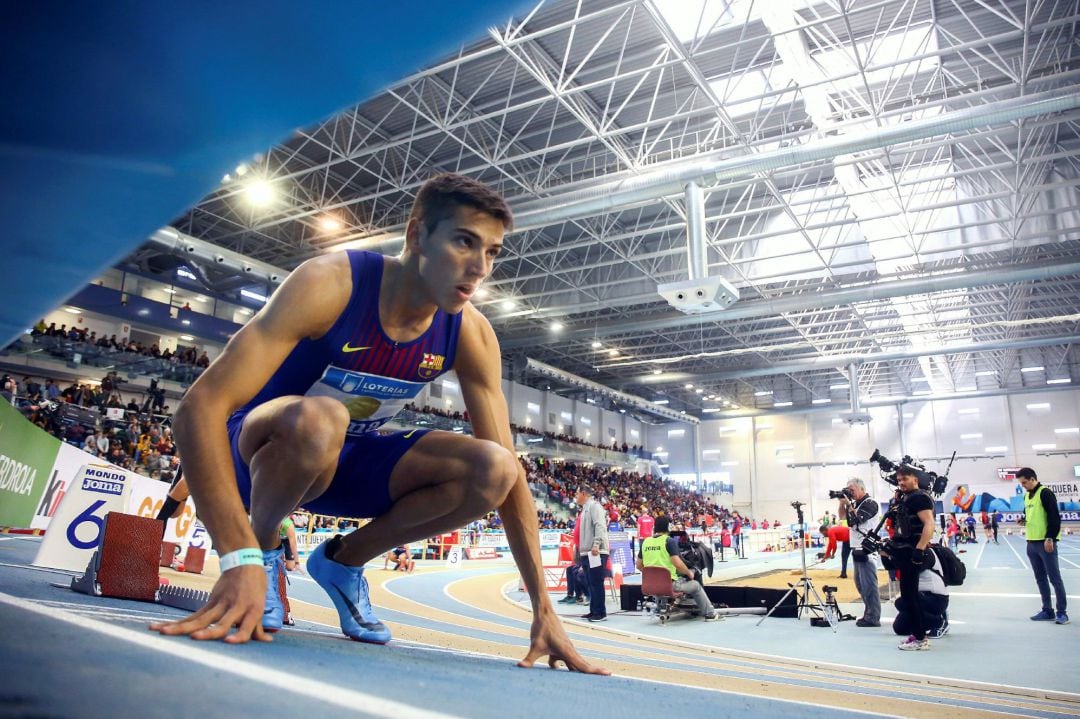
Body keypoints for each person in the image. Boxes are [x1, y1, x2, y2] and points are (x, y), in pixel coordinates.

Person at [149, 173, 607, 675]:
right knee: (324, 418)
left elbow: (511, 480)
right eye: (463, 241)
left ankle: (344, 560)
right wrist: (238, 555)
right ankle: (262, 554)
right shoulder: (330, 284)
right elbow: (198, 408)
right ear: (416, 235)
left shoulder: (470, 330)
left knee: (495, 468)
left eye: (493, 252)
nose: (479, 267)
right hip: (261, 455)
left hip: (344, 463)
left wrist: (544, 608)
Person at [881, 465, 936, 650]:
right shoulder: (907, 498)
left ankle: (920, 639)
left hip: (913, 552)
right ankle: (918, 634)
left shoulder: (919, 497)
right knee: (908, 595)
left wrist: (919, 550)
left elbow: (929, 523)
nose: (901, 483)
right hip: (905, 551)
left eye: (905, 479)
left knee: (910, 595)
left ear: (915, 479)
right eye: (899, 480)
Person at [636, 515, 717, 621]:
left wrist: (653, 575)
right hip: (670, 585)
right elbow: (678, 564)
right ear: (668, 527)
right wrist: (689, 573)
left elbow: (638, 565)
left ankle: (679, 603)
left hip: (649, 586)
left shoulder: (646, 542)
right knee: (695, 582)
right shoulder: (669, 541)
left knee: (685, 574)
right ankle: (710, 613)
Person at [1017, 468, 1069, 625]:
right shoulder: (1027, 496)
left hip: (1045, 543)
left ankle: (1062, 613)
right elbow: (1031, 516)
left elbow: (1054, 517)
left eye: (1024, 482)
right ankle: (1047, 610)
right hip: (1031, 543)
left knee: (1055, 578)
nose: (1023, 485)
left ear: (1032, 479)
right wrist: (1023, 520)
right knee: (1040, 578)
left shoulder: (1045, 493)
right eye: (1021, 483)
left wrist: (1050, 538)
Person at [838, 478, 880, 628]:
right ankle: (869, 613)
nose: (851, 493)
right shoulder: (856, 504)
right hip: (857, 548)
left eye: (852, 490)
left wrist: (849, 503)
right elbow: (843, 518)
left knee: (869, 584)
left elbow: (857, 520)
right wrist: (842, 503)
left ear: (861, 488)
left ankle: (873, 617)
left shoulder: (870, 503)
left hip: (867, 549)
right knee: (860, 584)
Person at [892, 544, 950, 639]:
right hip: (919, 597)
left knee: (901, 602)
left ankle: (939, 622)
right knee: (899, 628)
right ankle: (926, 621)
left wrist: (896, 555)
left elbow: (912, 568)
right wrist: (887, 555)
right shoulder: (908, 553)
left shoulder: (926, 553)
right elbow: (890, 566)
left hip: (936, 599)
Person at [575, 485, 609, 622]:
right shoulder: (584, 510)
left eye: (577, 493)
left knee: (596, 582)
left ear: (584, 493)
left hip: (596, 552)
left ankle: (600, 612)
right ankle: (593, 610)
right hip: (586, 552)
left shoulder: (595, 507)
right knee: (590, 583)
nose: (576, 496)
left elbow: (599, 525)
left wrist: (596, 544)